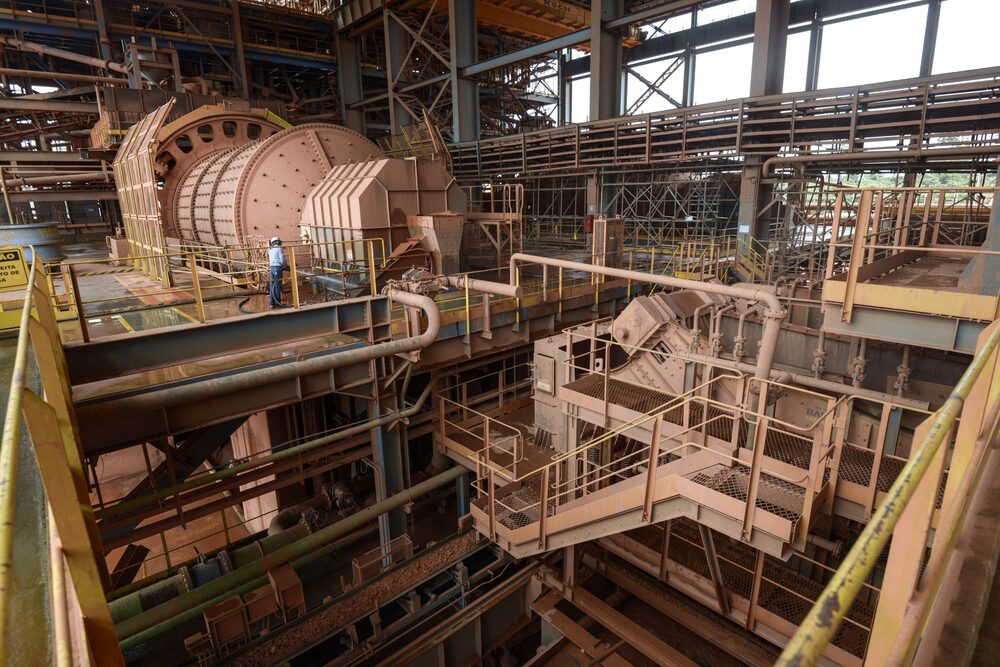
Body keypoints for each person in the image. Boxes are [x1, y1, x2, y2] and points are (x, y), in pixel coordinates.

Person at [268, 237, 288, 308]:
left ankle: (271, 303)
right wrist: (286, 266)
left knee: (272, 285)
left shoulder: (270, 250)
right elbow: (282, 260)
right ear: (278, 242)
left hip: (272, 269)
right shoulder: (279, 249)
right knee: (277, 286)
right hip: (277, 268)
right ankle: (278, 303)